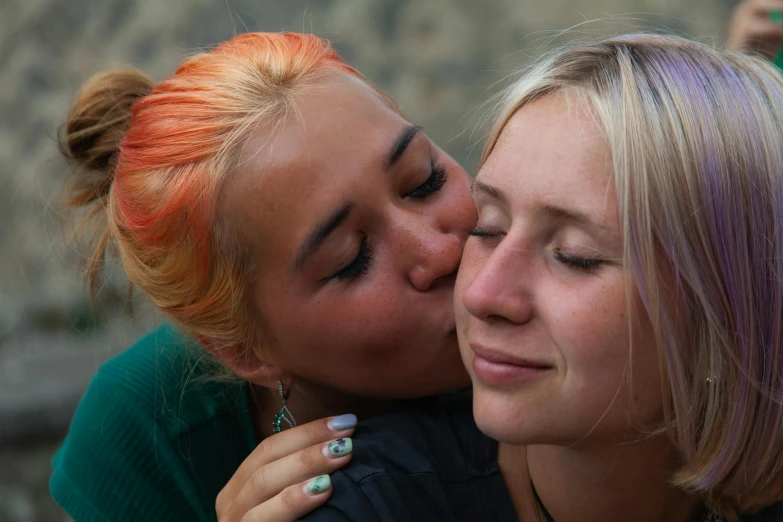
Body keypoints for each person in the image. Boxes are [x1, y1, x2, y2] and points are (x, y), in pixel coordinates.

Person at [254, 34, 783, 522]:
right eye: (487, 228)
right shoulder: (361, 506)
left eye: (574, 256)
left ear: (733, 307)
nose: (480, 292)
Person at [50, 31, 478, 522]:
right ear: (245, 351)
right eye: (351, 260)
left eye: (425, 181)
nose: (444, 251)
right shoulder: (143, 432)